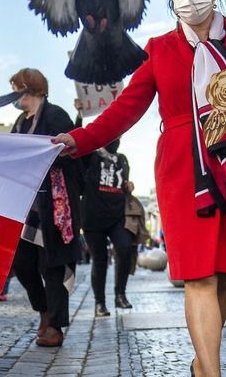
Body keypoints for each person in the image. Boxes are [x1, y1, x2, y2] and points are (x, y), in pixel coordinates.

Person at [53, 0, 226, 376]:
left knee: (220, 277)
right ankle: (213, 373)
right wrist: (78, 139)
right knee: (198, 275)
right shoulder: (160, 50)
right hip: (184, 171)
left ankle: (203, 365)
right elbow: (125, 109)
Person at [9, 68, 83, 348]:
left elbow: (73, 153)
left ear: (31, 88)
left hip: (54, 202)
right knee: (23, 263)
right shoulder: (19, 121)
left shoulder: (55, 115)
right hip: (27, 205)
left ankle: (55, 325)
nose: (15, 95)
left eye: (17, 88)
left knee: (52, 265)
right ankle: (43, 310)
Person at [80, 136, 134, 317]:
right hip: (93, 218)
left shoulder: (123, 159)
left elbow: (122, 183)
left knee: (125, 248)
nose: (115, 140)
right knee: (100, 259)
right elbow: (78, 144)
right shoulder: (92, 157)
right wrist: (80, 115)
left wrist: (129, 186)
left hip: (117, 216)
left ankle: (120, 294)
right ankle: (100, 303)